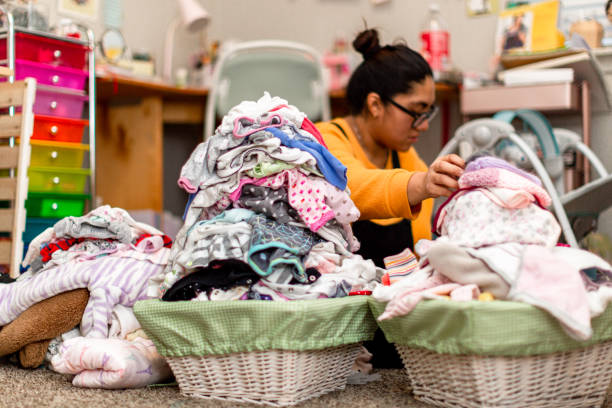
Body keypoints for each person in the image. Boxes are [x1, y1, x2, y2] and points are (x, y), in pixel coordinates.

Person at [316, 28, 464, 367]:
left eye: (429, 112)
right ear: (375, 104)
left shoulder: (409, 162)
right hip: (338, 322)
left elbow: (421, 250)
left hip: (388, 319)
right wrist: (419, 185)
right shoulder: (325, 139)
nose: (423, 124)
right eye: (416, 110)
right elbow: (349, 188)